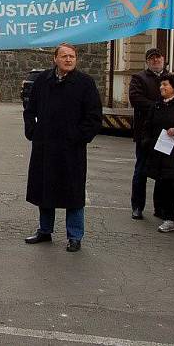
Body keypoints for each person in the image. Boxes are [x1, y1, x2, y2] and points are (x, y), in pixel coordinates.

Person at [23, 43, 102, 253]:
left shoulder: (84, 83)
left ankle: (75, 235)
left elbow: (94, 117)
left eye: (72, 56)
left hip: (71, 149)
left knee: (73, 193)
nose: (69, 60)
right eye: (64, 56)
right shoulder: (43, 80)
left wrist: (78, 137)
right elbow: (29, 109)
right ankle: (45, 230)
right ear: (55, 58)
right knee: (45, 188)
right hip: (45, 146)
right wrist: (33, 131)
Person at [141, 74, 174, 239]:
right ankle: (169, 218)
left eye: (165, 85)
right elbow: (148, 126)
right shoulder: (156, 106)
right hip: (160, 152)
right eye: (161, 85)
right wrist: (147, 142)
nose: (161, 88)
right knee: (164, 186)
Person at [128, 48, 169, 220]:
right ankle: (137, 206)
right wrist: (160, 106)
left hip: (166, 134)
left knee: (163, 173)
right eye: (151, 58)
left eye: (158, 57)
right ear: (147, 62)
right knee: (141, 171)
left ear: (163, 59)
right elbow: (136, 99)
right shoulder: (139, 78)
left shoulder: (171, 78)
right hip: (145, 133)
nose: (155, 60)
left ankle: (160, 208)